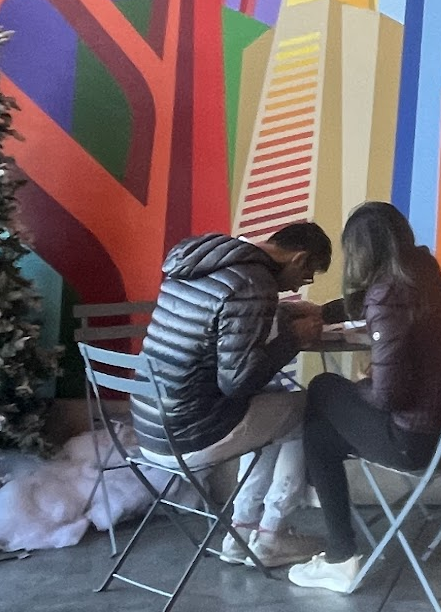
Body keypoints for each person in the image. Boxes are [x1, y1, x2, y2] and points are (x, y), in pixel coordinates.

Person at [288, 201, 441, 595]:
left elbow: (389, 396)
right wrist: (325, 313)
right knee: (321, 436)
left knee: (323, 389)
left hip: (416, 442)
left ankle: (338, 550)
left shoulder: (387, 293)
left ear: (360, 251)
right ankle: (336, 542)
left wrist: (363, 383)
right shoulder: (424, 275)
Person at [134, 220, 332, 567]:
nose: (306, 283)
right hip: (191, 434)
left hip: (151, 426)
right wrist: (294, 339)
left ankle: (240, 532)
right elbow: (238, 382)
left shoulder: (205, 262)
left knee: (271, 402)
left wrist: (279, 313)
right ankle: (272, 535)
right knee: (311, 407)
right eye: (309, 274)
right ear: (299, 259)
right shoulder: (254, 283)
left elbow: (214, 321)